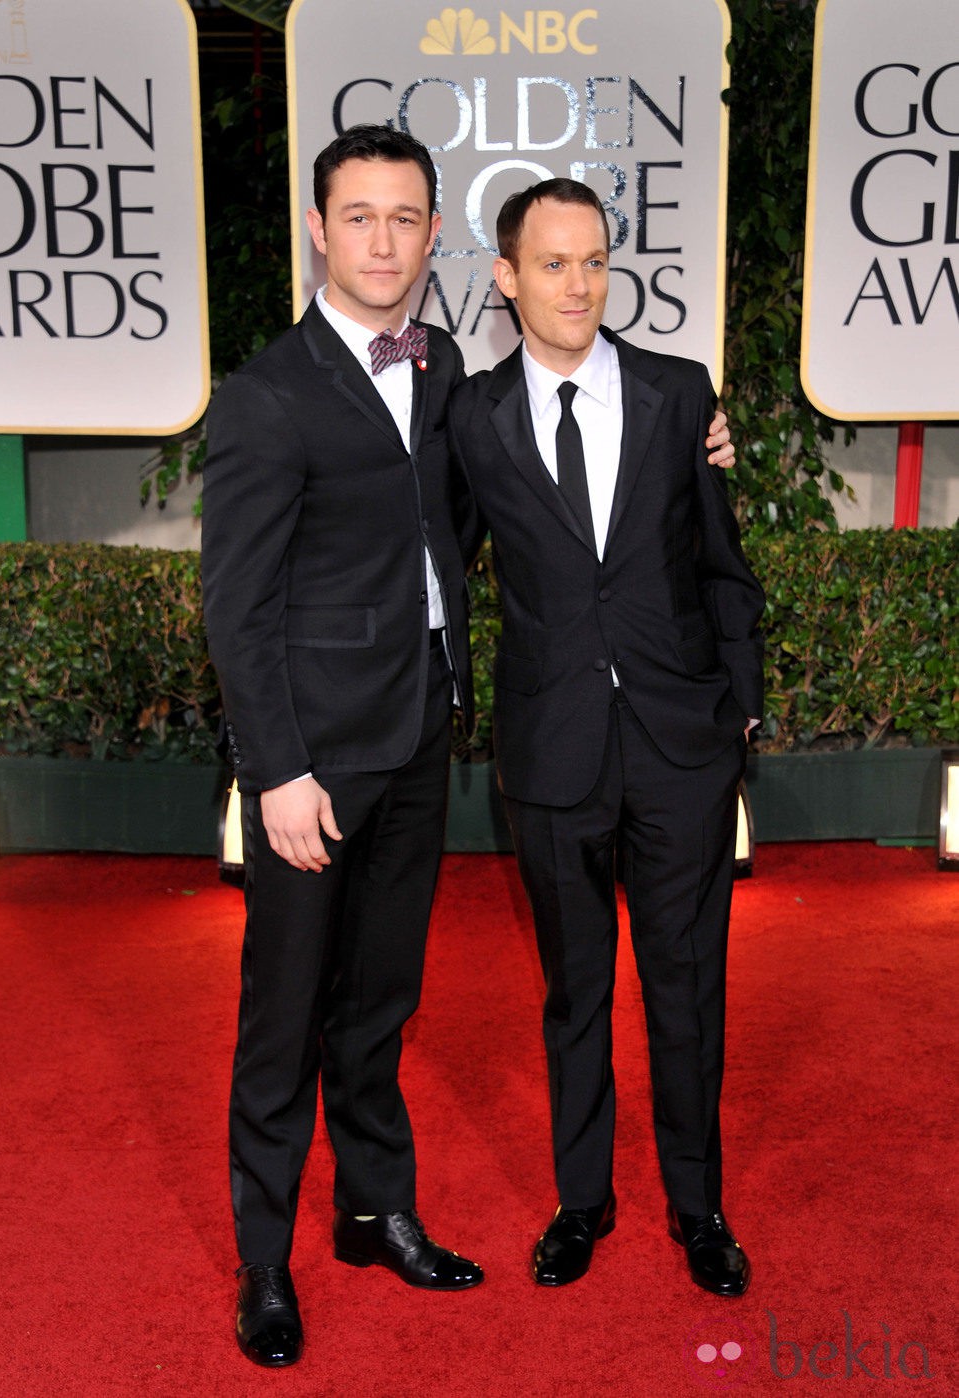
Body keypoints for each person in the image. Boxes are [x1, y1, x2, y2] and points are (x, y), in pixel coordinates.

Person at [202, 126, 737, 1369]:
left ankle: (373, 1212)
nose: (382, 240)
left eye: (404, 218)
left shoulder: (448, 374)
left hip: (418, 747)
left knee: (380, 1008)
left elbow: (554, 470)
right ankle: (265, 1265)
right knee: (284, 1019)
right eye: (360, 218)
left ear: (433, 235)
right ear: (319, 233)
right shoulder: (266, 393)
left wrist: (700, 442)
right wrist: (272, 768)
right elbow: (235, 605)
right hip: (310, 772)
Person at [448, 178, 764, 1298]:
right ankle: (580, 1201)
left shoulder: (681, 396)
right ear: (506, 278)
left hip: (681, 744)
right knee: (574, 990)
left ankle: (697, 1205)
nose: (576, 283)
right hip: (550, 755)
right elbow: (434, 564)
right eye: (551, 263)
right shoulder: (470, 418)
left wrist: (739, 711)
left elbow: (723, 568)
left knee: (687, 986)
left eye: (593, 261)